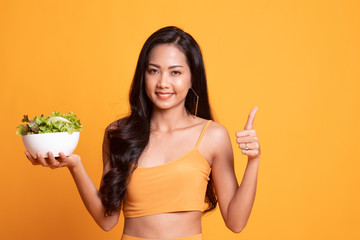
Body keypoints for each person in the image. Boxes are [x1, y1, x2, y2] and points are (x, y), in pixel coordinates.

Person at [25, 26, 261, 240]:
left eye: (175, 72)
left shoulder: (213, 136)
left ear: (192, 78)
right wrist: (74, 166)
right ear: (143, 76)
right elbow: (107, 220)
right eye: (154, 71)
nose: (163, 83)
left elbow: (236, 222)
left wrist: (253, 160)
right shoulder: (118, 133)